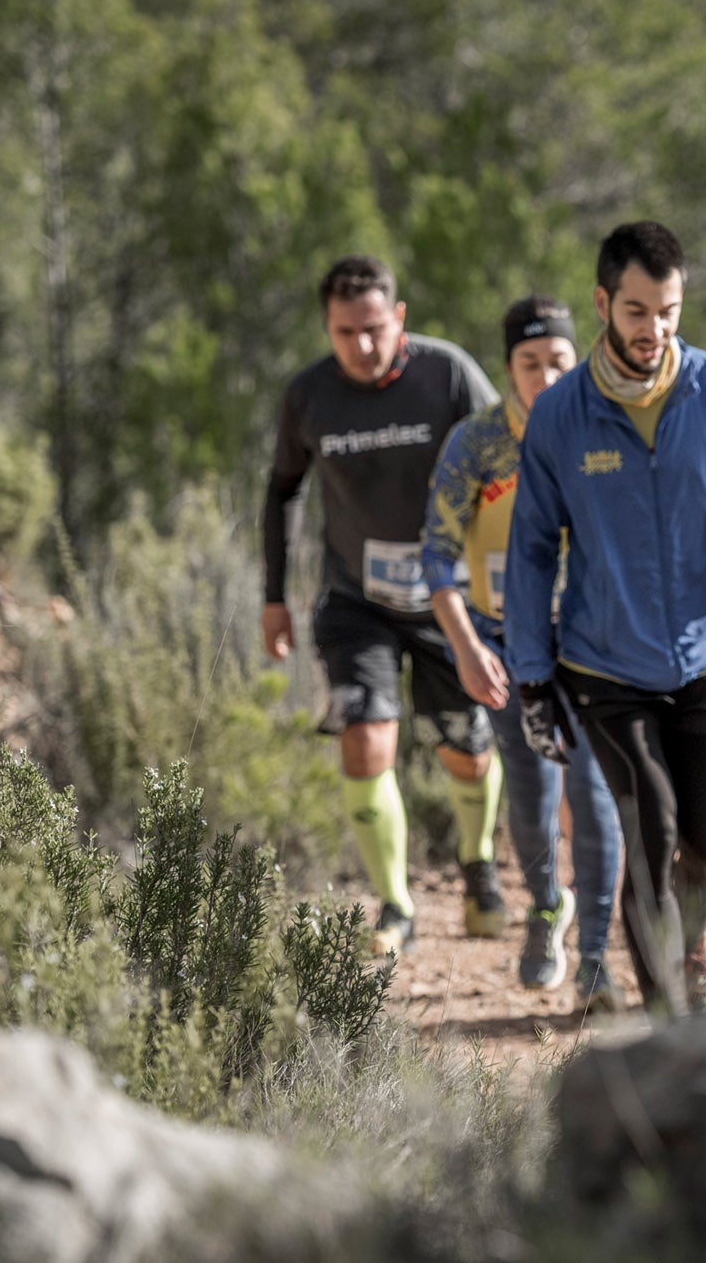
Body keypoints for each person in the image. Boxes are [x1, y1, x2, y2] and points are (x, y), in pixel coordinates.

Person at [504, 222, 706, 1016]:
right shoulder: (560, 415)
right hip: (604, 665)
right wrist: (530, 675)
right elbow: (529, 550)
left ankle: (692, 944)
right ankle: (666, 1026)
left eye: (668, 310)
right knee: (649, 829)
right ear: (602, 302)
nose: (653, 330)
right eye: (636, 311)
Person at [262, 254, 507, 958]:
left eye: (374, 328)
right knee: (367, 739)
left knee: (465, 749)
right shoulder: (308, 395)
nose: (362, 346)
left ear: (398, 317)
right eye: (345, 332)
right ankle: (395, 903)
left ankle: (478, 861)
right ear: (327, 328)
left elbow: (508, 463)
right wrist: (273, 597)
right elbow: (281, 490)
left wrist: (506, 580)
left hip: (449, 600)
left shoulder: (448, 373)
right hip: (355, 600)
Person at [420, 295, 626, 1011]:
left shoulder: (604, 427)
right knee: (533, 793)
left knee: (590, 789)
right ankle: (547, 907)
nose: (543, 375)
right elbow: (436, 556)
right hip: (503, 643)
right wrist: (466, 645)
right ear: (508, 368)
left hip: (592, 642)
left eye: (558, 361)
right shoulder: (476, 442)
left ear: (579, 360)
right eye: (528, 363)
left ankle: (598, 954)